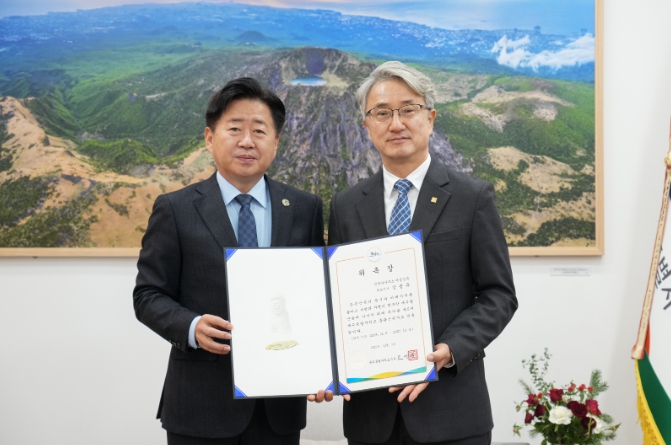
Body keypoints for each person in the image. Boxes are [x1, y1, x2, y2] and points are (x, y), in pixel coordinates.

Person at [327, 61, 518, 445]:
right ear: (367, 126)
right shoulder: (346, 206)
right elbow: (336, 299)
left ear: (430, 119)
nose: (396, 123)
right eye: (382, 113)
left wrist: (450, 349)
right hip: (371, 417)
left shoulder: (472, 197)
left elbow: (499, 294)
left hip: (451, 412)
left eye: (408, 109)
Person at [133, 77, 324, 445]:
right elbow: (148, 295)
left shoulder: (304, 208)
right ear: (210, 138)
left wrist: (321, 367)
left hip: (279, 407)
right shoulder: (175, 209)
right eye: (234, 129)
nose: (247, 141)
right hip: (200, 406)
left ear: (276, 142)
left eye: (259, 131)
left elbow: (316, 298)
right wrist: (192, 326)